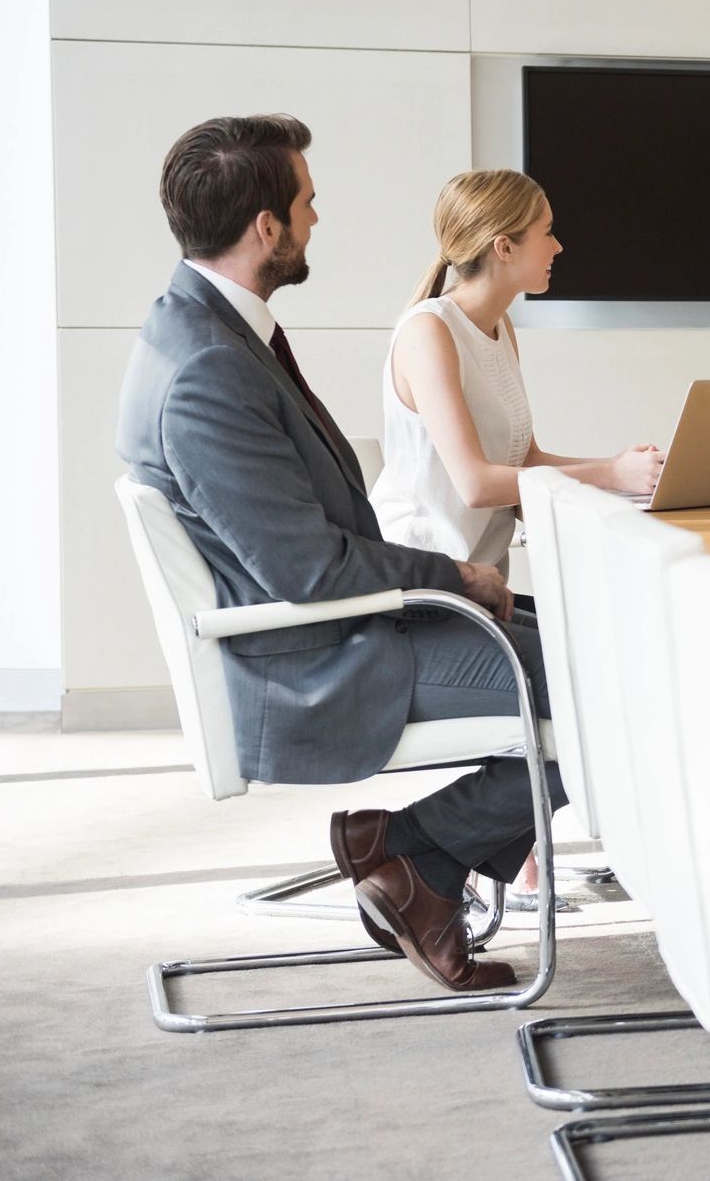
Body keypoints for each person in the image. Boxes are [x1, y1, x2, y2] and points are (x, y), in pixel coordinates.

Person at [115, 115, 566, 992]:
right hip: (316, 657)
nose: (317, 220)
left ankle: (412, 865)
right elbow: (309, 570)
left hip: (342, 629)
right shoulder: (208, 364)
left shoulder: (204, 329)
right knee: (596, 695)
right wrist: (456, 577)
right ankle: (403, 854)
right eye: (307, 203)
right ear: (267, 228)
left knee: (589, 661)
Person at [370, 168, 662, 577]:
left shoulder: (500, 327)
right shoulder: (429, 332)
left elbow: (526, 460)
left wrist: (628, 471)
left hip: (482, 584)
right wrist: (612, 473)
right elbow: (476, 485)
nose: (558, 247)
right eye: (547, 232)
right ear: (504, 247)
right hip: (425, 584)